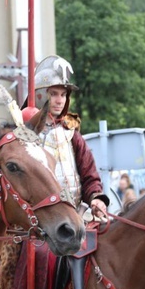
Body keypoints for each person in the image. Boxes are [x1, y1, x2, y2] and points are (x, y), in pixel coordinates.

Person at [31, 55, 108, 219]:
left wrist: (96, 198)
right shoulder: (24, 133)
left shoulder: (71, 132)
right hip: (36, 221)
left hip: (75, 216)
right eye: (53, 94)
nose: (59, 100)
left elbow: (90, 177)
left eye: (63, 94)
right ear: (40, 95)